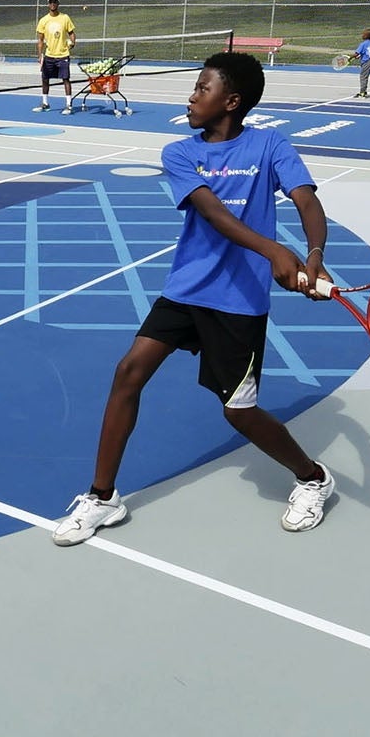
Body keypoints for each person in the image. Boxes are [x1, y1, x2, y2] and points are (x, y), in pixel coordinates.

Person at [52, 50, 337, 545]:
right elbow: (214, 215)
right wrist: (275, 251)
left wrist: (312, 256)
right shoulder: (181, 153)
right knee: (128, 372)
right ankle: (102, 498)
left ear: (232, 100)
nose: (191, 96)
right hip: (187, 289)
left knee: (238, 412)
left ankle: (313, 478)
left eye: (202, 88)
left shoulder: (271, 145)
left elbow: (307, 199)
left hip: (240, 302)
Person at [34, 0, 76, 112]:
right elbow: (40, 40)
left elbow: (71, 32)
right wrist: (40, 55)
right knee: (45, 79)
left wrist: (73, 42)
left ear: (58, 4)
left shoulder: (65, 18)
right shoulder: (43, 20)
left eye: (55, 2)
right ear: (48, 4)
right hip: (49, 56)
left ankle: (68, 105)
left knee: (65, 79)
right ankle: (45, 103)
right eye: (51, 2)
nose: (53, 4)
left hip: (63, 55)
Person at [354, 27, 370, 98]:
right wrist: (360, 55)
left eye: (363, 34)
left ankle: (362, 92)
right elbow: (366, 52)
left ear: (366, 36)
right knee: (365, 76)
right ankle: (364, 91)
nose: (362, 35)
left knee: (363, 76)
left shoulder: (363, 44)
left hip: (367, 61)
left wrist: (350, 57)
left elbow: (356, 53)